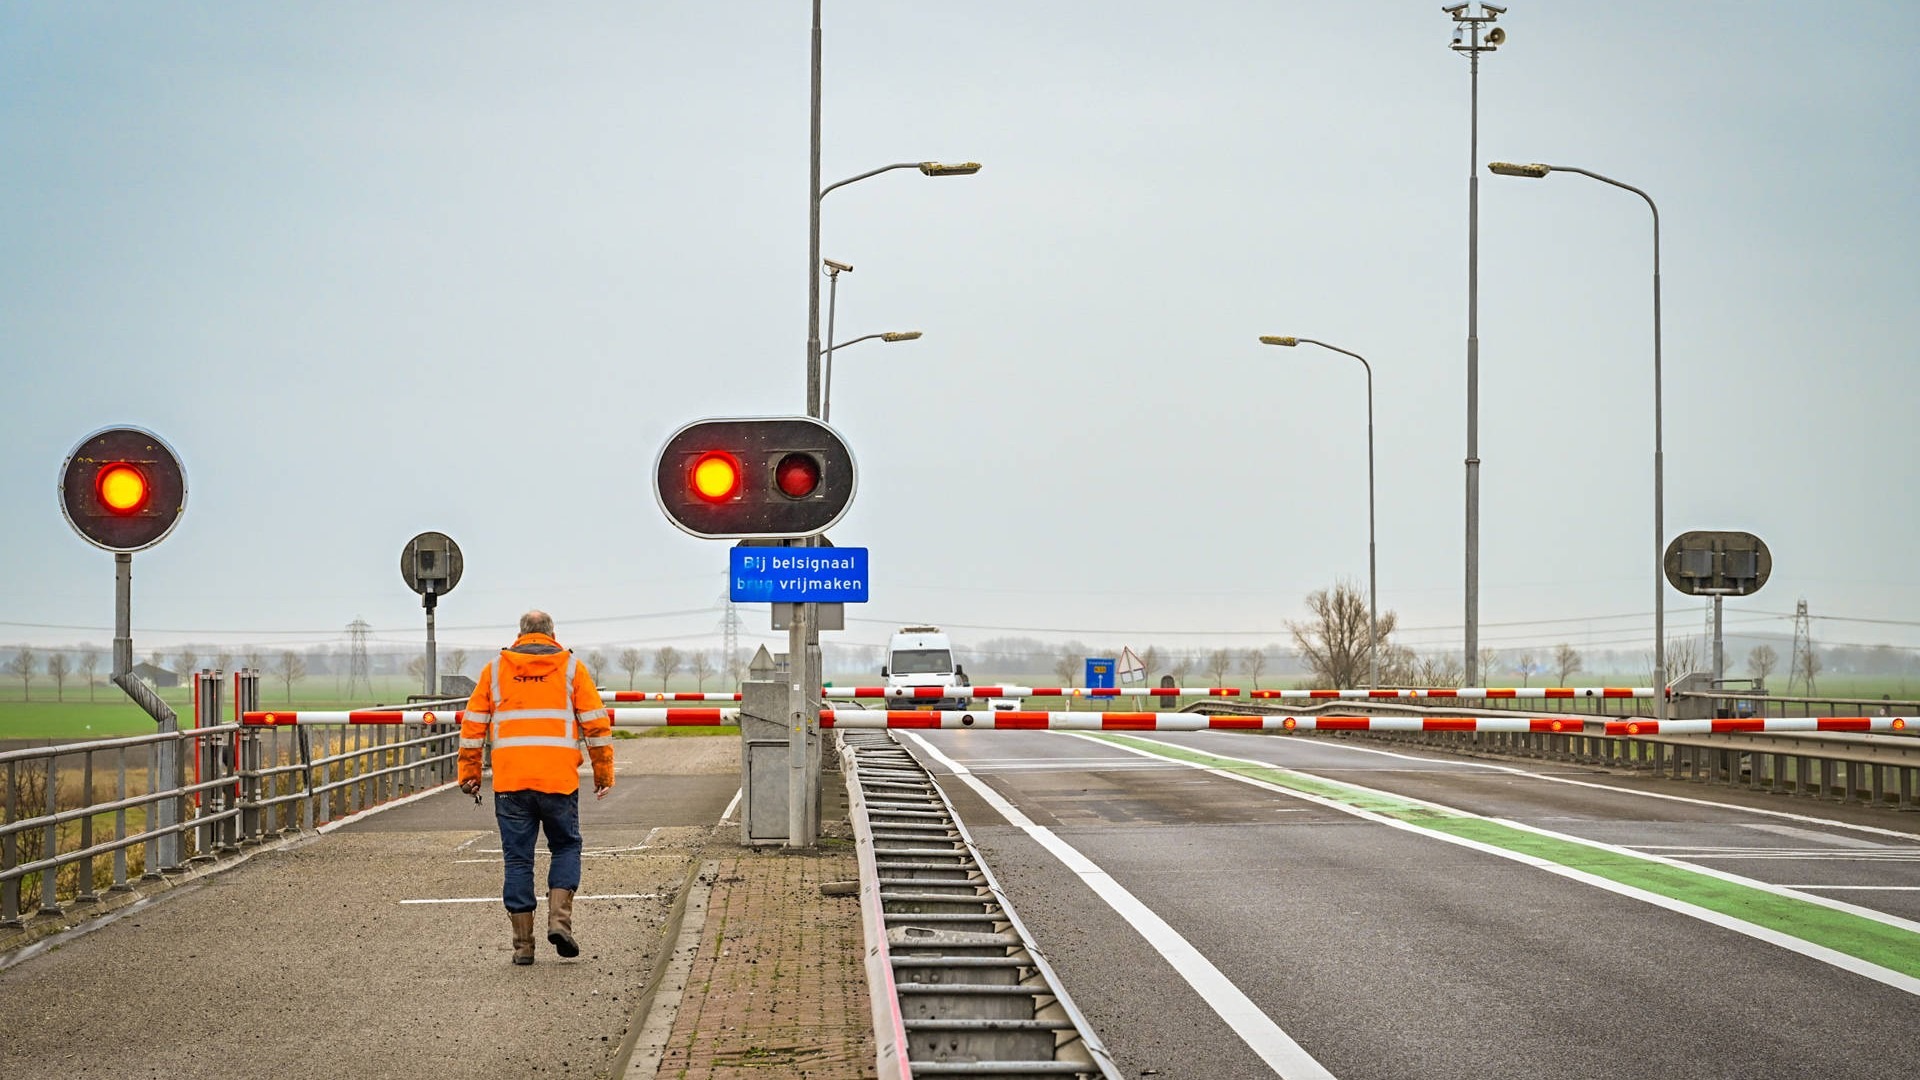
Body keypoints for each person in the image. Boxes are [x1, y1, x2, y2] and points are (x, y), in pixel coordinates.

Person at [459, 610, 615, 966]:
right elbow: (595, 723)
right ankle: (559, 923)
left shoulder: (495, 670)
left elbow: (473, 725)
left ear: (519, 634)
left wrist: (469, 774)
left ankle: (523, 946)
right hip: (558, 780)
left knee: (517, 860)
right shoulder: (572, 669)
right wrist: (603, 773)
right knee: (566, 846)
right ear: (552, 635)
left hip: (511, 783)